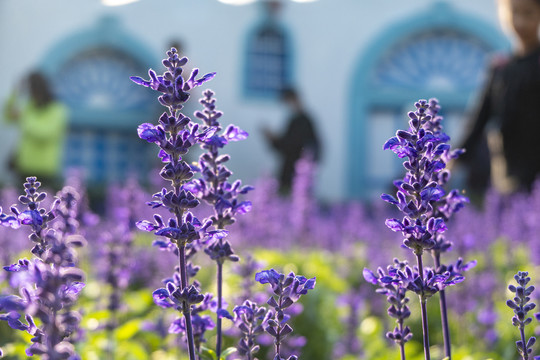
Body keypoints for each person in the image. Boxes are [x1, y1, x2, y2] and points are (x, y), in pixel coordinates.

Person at [458, 0, 540, 197]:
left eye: (528, 14)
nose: (519, 22)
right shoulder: (500, 66)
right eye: (514, 13)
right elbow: (479, 117)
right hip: (506, 166)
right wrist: (456, 157)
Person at [5, 71, 68, 188]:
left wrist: (23, 118)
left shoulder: (57, 110)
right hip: (23, 167)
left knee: (44, 204)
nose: (33, 95)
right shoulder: (29, 106)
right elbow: (7, 117)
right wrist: (15, 93)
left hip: (45, 170)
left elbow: (45, 133)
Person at [263, 87, 321, 194]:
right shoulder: (296, 119)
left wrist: (275, 140)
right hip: (291, 172)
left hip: (295, 174)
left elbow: (291, 145)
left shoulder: (303, 120)